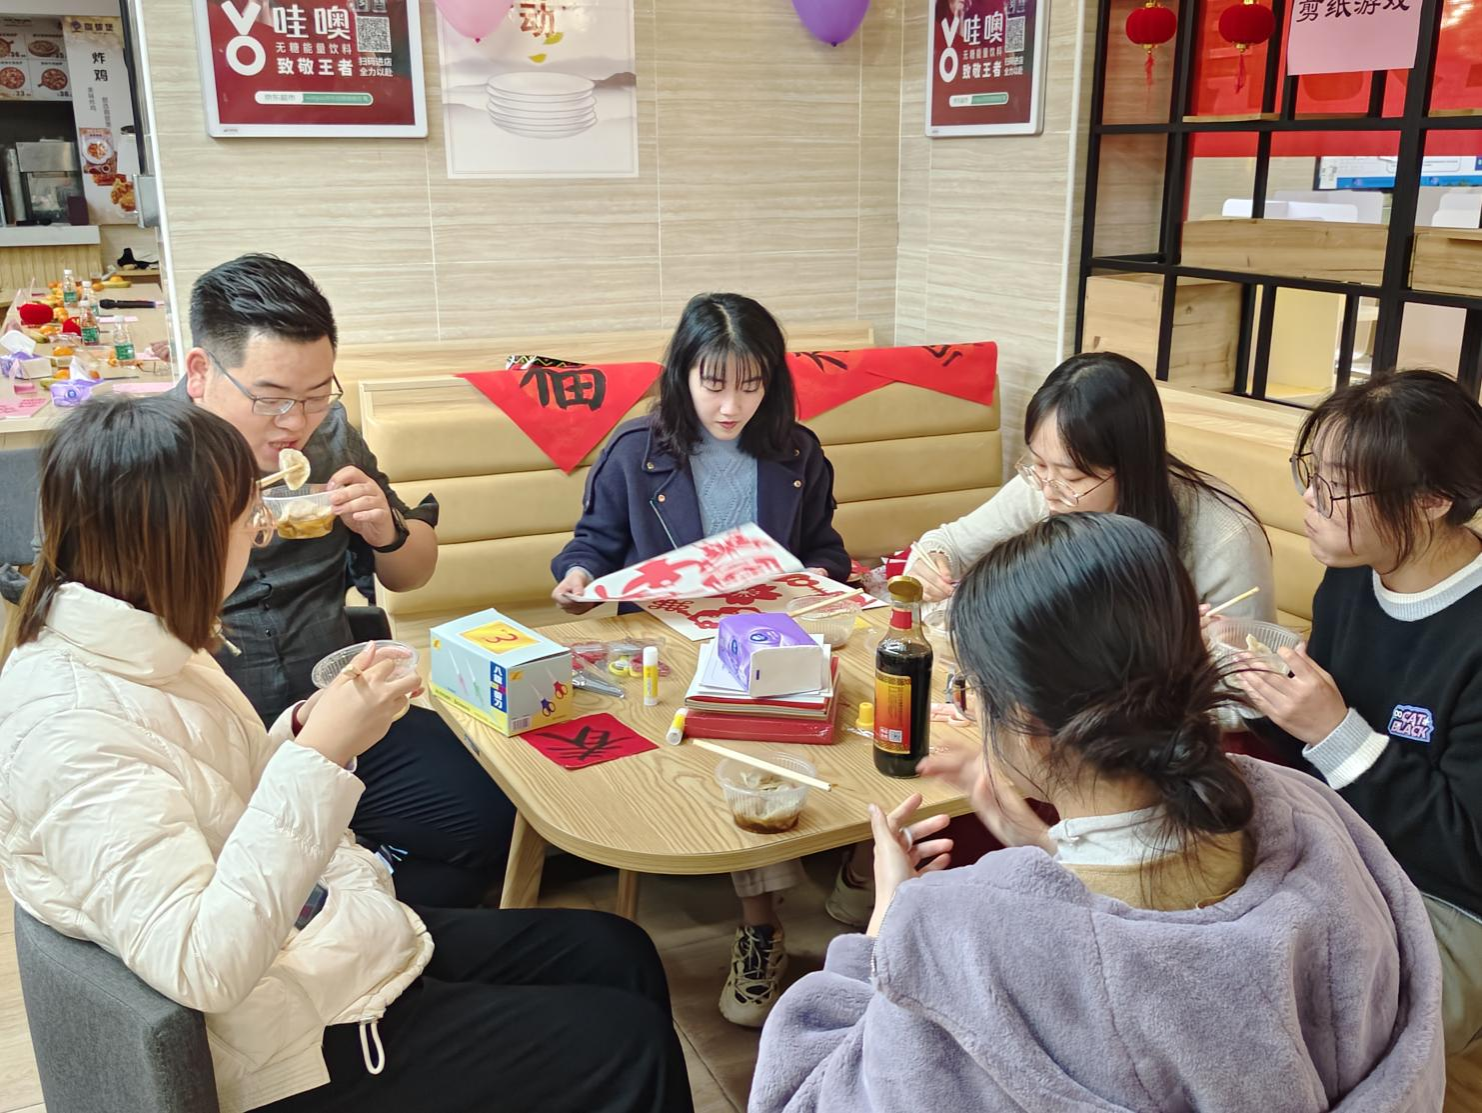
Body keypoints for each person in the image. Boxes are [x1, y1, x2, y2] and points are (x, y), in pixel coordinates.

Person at [0, 396, 693, 1113]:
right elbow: (203, 963)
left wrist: (303, 729)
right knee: (629, 1040)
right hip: (281, 1047)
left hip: (309, 945)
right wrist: (322, 753)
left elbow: (215, 795)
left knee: (619, 951)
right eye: (246, 518)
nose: (259, 533)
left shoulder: (144, 635)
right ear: (180, 541)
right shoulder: (69, 730)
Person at [750, 512, 1444, 1113]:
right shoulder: (1310, 815)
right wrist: (1045, 847)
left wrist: (883, 928)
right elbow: (1158, 943)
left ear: (1030, 727)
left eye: (971, 689)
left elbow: (800, 1097)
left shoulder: (955, 938)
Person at [178, 253, 514, 908]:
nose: (294, 422)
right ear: (200, 372)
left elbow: (413, 572)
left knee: (496, 814)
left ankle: (365, 905)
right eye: (271, 399)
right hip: (215, 740)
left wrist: (385, 530)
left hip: (338, 707)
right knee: (223, 875)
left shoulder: (330, 438)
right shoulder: (149, 457)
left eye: (314, 395)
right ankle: (339, 900)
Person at [550, 292, 849, 1028]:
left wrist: (820, 579)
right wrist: (579, 578)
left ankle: (863, 868)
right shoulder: (636, 451)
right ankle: (761, 926)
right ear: (682, 374)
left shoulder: (797, 452)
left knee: (853, 698)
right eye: (713, 384)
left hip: (771, 636)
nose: (731, 405)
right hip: (671, 648)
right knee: (748, 736)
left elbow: (823, 548)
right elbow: (593, 542)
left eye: (751, 385)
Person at [1238, 369, 1482, 1058]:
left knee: (1288, 1032)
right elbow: (1322, 744)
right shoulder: (1350, 574)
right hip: (1341, 851)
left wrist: (1336, 731)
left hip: (1450, 904)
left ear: (1431, 498)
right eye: (1310, 473)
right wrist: (1249, 677)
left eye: (1337, 487)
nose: (1310, 501)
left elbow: (1467, 853)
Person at [905, 351, 1275, 618]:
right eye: (1038, 463)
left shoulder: (1225, 536)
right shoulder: (1047, 484)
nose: (1049, 490)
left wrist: (1193, 653)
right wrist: (931, 564)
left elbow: (1251, 684)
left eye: (1072, 477)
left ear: (1131, 468)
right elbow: (947, 544)